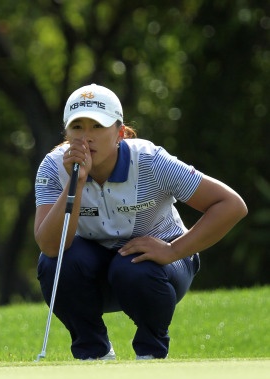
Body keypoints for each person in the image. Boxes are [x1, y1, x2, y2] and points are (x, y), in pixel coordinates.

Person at [34, 83, 247, 360]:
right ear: (65, 133)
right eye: (77, 127)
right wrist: (76, 183)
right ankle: (93, 353)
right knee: (54, 264)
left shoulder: (149, 161)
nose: (86, 138)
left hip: (160, 269)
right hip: (95, 271)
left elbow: (231, 205)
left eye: (97, 126)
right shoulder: (53, 167)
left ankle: (151, 352)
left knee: (133, 267)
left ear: (119, 133)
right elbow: (51, 247)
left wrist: (173, 250)